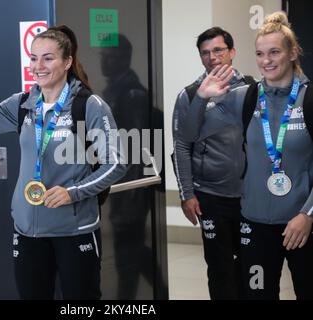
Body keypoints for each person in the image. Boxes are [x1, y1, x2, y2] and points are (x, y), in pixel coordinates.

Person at [0, 25, 127, 300]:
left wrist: (73, 192)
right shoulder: (21, 105)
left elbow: (116, 163)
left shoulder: (88, 105)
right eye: (33, 58)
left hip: (74, 230)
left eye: (48, 57)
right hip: (27, 231)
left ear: (67, 62)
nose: (38, 65)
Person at [179, 12, 313, 300]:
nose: (266, 60)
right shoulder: (246, 97)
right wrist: (201, 99)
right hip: (256, 225)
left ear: (293, 52)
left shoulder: (309, 98)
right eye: (260, 54)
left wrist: (307, 214)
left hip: (302, 225)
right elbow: (188, 135)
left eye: (274, 52)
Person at [172, 27, 255, 299]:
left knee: (251, 267)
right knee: (220, 270)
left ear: (232, 52)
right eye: (205, 53)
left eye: (218, 50)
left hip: (250, 196)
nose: (212, 57)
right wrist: (187, 194)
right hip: (210, 195)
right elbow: (182, 146)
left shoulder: (251, 90)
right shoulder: (189, 95)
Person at [100, 34, 153, 299]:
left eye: (108, 56)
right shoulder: (111, 90)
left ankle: (125, 302)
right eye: (101, 55)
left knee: (126, 252)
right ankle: (160, 288)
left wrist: (131, 193)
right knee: (131, 247)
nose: (102, 61)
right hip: (119, 183)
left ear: (123, 58)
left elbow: (139, 148)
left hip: (130, 187)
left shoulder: (131, 93)